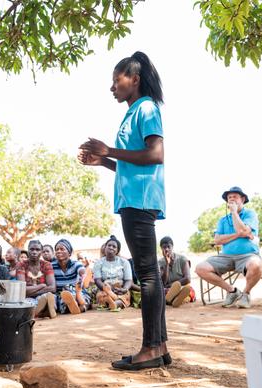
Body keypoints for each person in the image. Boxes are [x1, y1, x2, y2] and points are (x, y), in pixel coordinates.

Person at [78, 51, 169, 370]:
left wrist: (109, 149)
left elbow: (155, 154)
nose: (112, 87)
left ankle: (150, 349)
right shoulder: (134, 112)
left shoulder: (145, 108)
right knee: (151, 274)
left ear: (135, 80)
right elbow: (133, 166)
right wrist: (104, 160)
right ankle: (161, 346)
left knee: (146, 275)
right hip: (135, 195)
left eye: (117, 80)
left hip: (139, 200)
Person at [195, 187, 262, 309]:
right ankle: (232, 291)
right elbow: (217, 240)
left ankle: (245, 294)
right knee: (200, 268)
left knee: (256, 264)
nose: (231, 199)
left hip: (248, 256)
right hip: (226, 256)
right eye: (229, 197)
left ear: (242, 199)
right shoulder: (223, 220)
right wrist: (239, 234)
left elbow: (242, 229)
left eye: (235, 196)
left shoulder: (250, 214)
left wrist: (234, 213)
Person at [16, 240, 57, 318]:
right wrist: (41, 286)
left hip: (42, 295)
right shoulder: (21, 265)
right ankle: (42, 311)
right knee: (27, 303)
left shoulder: (46, 264)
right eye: (32, 249)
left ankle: (40, 310)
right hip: (28, 298)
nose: (34, 252)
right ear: (28, 250)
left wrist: (30, 291)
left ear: (41, 252)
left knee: (49, 297)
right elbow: (22, 289)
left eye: (37, 250)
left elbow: (52, 288)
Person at [94, 236, 133, 311]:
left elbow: (128, 280)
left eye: (114, 246)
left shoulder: (124, 262)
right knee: (101, 296)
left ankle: (115, 303)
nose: (111, 247)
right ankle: (111, 302)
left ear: (117, 251)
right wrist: (106, 289)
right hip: (104, 288)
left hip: (120, 289)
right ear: (105, 247)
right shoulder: (98, 263)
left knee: (124, 296)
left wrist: (125, 289)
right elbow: (97, 280)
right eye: (109, 245)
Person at [51, 239, 89, 314]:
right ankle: (76, 306)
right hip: (62, 293)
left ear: (69, 253)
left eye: (62, 249)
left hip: (76, 290)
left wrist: (82, 277)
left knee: (83, 297)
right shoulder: (52, 266)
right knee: (63, 300)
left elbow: (82, 270)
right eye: (57, 249)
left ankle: (80, 305)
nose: (58, 251)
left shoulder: (75, 263)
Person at [158, 236, 194, 308]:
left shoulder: (182, 259)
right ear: (161, 249)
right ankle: (174, 300)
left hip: (182, 286)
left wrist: (173, 285)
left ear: (172, 247)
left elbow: (187, 278)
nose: (166, 249)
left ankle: (169, 300)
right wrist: (167, 264)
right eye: (164, 247)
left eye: (168, 247)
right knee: (162, 291)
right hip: (168, 289)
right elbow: (163, 282)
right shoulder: (160, 262)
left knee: (188, 289)